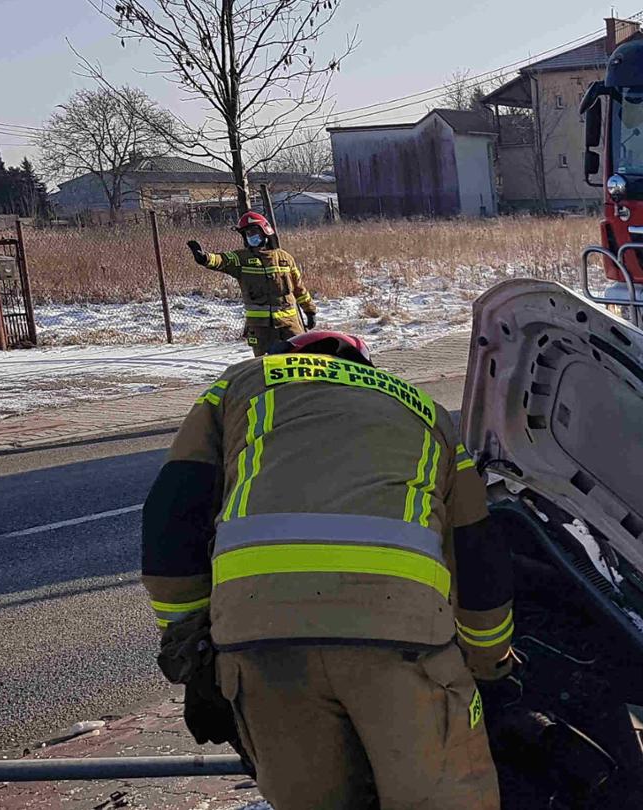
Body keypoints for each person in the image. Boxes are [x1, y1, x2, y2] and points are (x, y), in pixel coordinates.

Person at [141, 330, 513, 810]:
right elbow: (476, 548)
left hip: (260, 642)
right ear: (367, 368)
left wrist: (191, 653)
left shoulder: (238, 385)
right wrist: (490, 663)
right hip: (404, 639)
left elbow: (173, 515)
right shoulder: (424, 411)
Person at [189, 212, 317, 357]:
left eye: (254, 232)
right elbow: (221, 260)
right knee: (265, 367)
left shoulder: (285, 259)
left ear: (265, 232)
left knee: (300, 359)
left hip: (290, 325)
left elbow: (299, 288)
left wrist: (310, 311)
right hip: (261, 330)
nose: (251, 236)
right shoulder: (241, 259)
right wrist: (205, 258)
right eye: (247, 234)